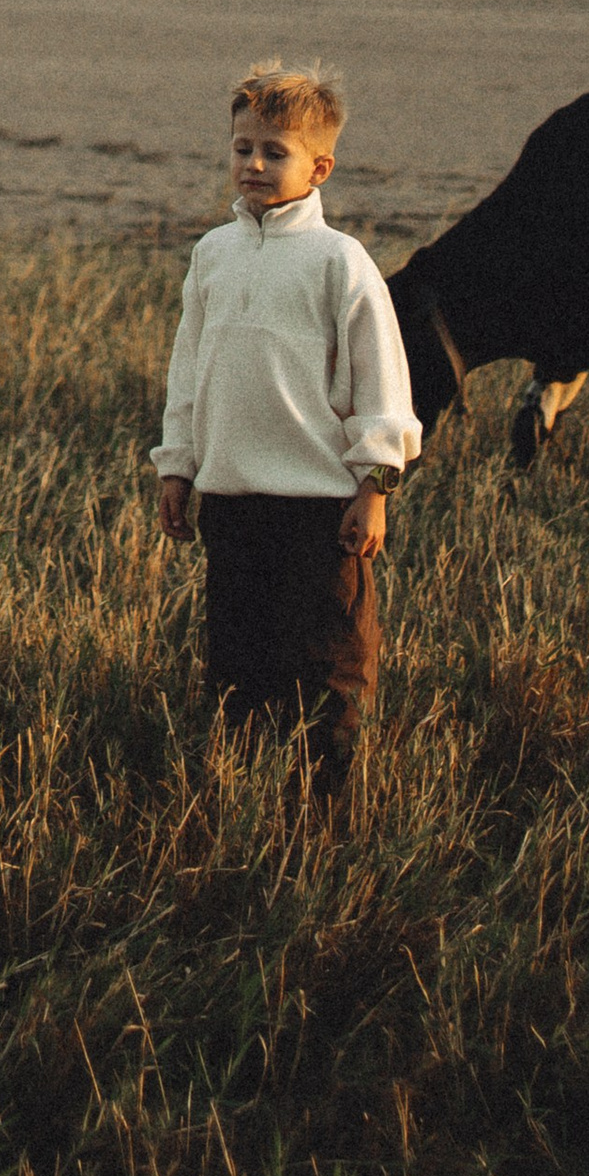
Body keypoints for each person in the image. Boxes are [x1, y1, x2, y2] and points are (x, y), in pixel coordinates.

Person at [150, 62, 422, 799]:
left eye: (276, 152)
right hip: (232, 502)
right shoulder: (213, 254)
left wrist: (375, 485)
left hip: (319, 510)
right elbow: (189, 370)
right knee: (238, 662)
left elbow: (383, 383)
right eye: (243, 148)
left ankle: (325, 807)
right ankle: (241, 793)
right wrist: (177, 467)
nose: (255, 164)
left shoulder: (341, 262)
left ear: (319, 167)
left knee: (328, 663)